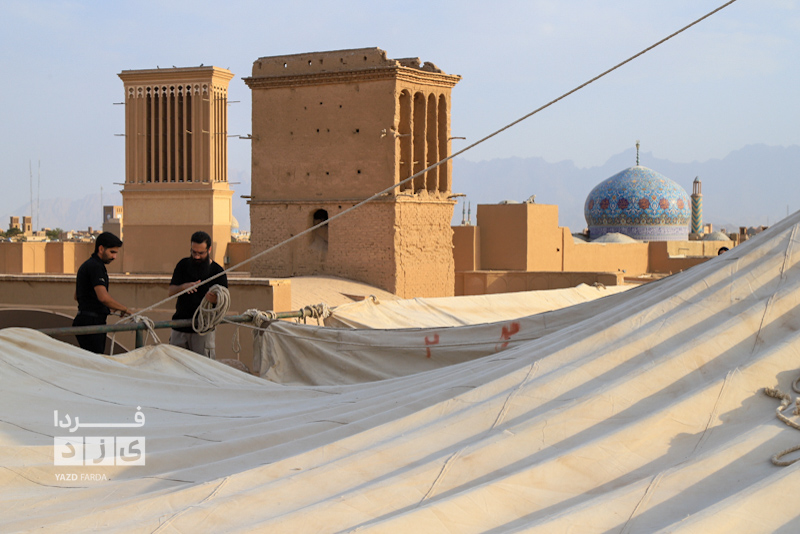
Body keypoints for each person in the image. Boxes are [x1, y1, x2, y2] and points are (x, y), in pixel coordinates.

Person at [168, 231, 228, 359]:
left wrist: (214, 299)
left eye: (201, 253)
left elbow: (223, 300)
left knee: (203, 367)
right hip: (180, 328)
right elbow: (171, 291)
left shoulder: (218, 272)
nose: (196, 256)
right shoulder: (182, 265)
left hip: (203, 331)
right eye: (193, 252)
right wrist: (183, 287)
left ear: (209, 250)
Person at [73, 232, 129, 354]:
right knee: (95, 360)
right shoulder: (96, 267)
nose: (114, 257)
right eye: (112, 252)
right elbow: (103, 297)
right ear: (101, 249)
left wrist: (105, 307)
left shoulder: (88, 265)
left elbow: (77, 295)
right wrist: (125, 309)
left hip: (84, 320)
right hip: (92, 323)